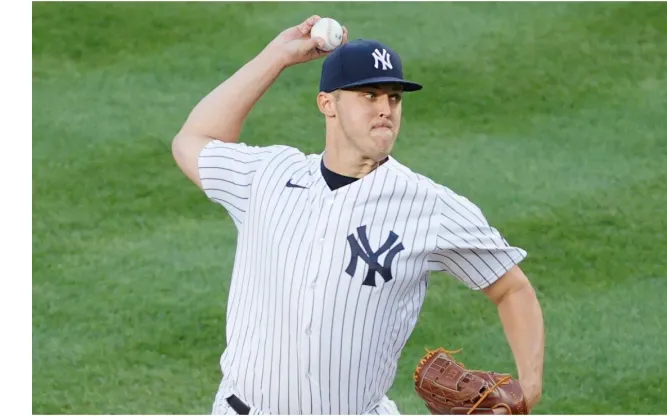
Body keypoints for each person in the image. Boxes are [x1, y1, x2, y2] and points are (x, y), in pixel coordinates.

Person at [172, 15, 545, 416]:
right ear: (327, 104)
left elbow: (511, 288)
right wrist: (276, 56)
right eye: (369, 95)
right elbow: (193, 139)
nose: (385, 109)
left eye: (394, 97)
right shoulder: (268, 177)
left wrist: (529, 389)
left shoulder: (428, 206)